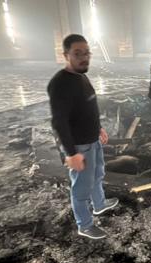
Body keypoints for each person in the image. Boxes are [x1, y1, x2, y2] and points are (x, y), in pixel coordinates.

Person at [47, 34, 119, 240]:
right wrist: (71, 153)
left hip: (92, 140)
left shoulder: (81, 76)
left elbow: (88, 106)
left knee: (97, 175)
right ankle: (84, 225)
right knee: (81, 187)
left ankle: (99, 205)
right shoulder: (59, 84)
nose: (84, 58)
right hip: (79, 146)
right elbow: (59, 122)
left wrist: (99, 128)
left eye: (87, 53)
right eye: (78, 54)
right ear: (65, 55)